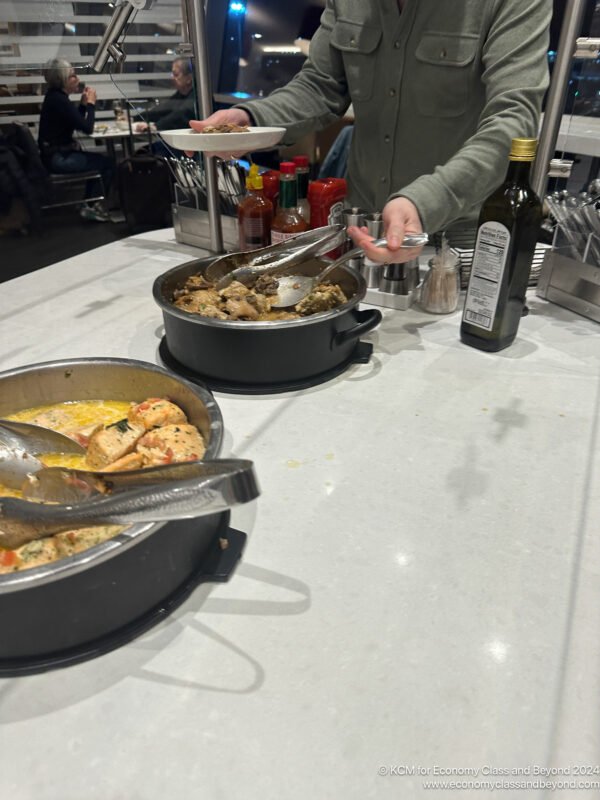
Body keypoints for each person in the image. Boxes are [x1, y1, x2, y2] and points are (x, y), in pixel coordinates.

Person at [189, 0, 553, 264]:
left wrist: (425, 201)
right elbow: (320, 85)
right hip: (360, 232)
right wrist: (250, 118)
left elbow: (514, 119)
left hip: (457, 247)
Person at [38, 58, 113, 222]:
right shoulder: (59, 100)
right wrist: (92, 104)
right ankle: (92, 206)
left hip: (53, 156)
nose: (77, 79)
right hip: (59, 159)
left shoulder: (55, 98)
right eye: (73, 76)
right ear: (62, 80)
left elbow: (75, 122)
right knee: (107, 164)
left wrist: (83, 105)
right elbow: (87, 128)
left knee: (100, 161)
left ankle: (88, 204)